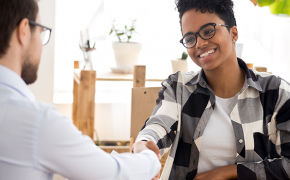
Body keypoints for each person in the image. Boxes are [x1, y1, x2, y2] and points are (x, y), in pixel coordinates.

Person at [0, 0, 161, 180]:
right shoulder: (37, 122)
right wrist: (149, 157)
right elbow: (113, 174)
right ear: (23, 31)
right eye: (40, 31)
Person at [133, 0, 290, 179]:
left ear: (234, 33)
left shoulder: (277, 92)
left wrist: (227, 173)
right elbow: (159, 124)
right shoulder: (178, 87)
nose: (199, 43)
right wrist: (144, 142)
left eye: (208, 31)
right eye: (190, 38)